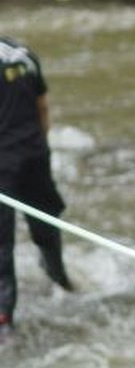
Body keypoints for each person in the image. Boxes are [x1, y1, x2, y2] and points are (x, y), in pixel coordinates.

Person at [0, 36, 74, 339]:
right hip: (35, 155)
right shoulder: (22, 53)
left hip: (3, 163)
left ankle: (4, 318)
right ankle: (60, 280)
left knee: (1, 245)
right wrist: (41, 148)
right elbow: (42, 108)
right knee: (46, 223)